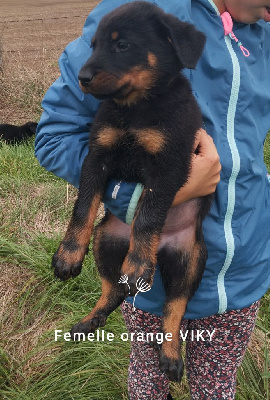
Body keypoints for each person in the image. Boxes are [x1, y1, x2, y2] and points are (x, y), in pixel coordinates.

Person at [35, 0, 270, 399]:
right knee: (147, 375)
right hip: (141, 266)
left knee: (215, 385)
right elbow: (57, 137)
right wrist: (139, 200)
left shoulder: (261, 35)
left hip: (243, 268)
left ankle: (172, 334)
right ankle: (108, 300)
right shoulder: (141, 12)